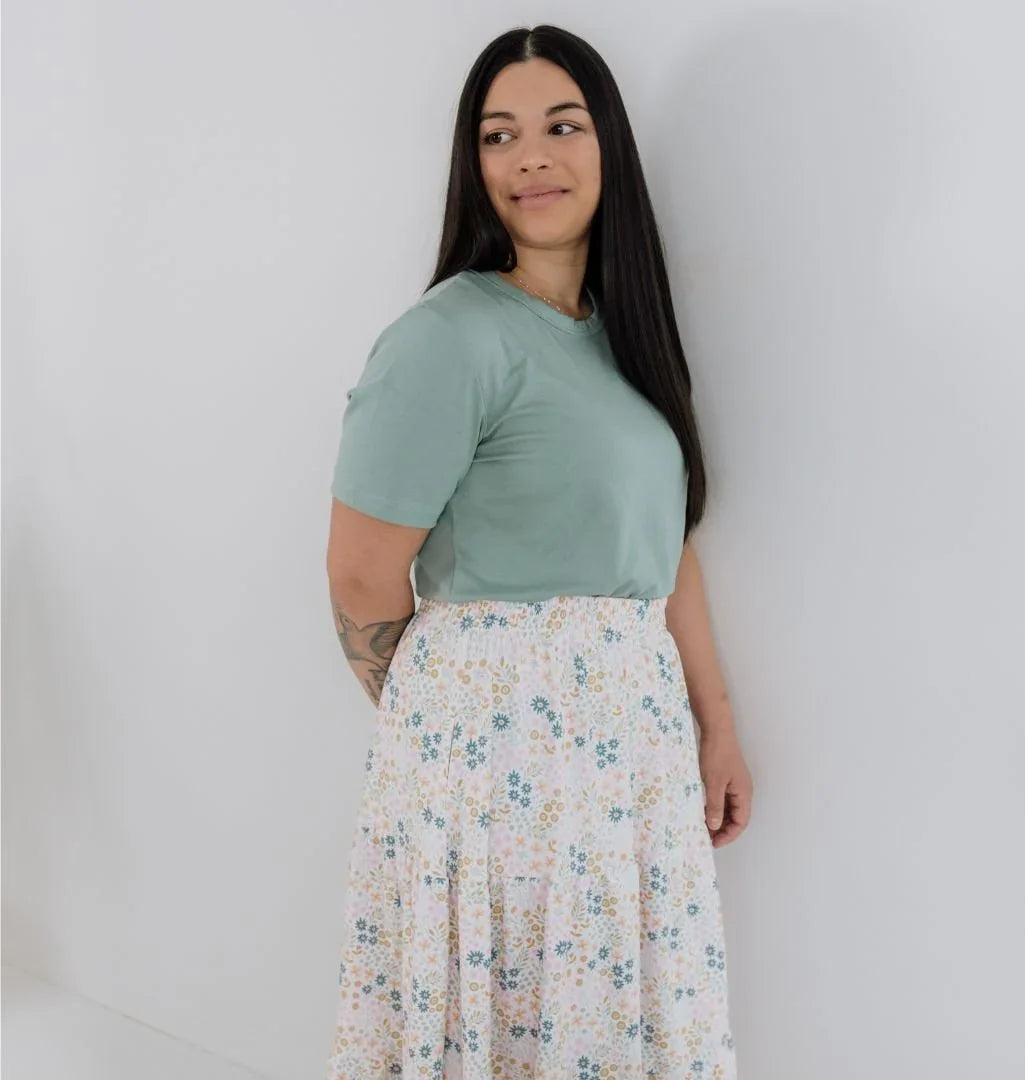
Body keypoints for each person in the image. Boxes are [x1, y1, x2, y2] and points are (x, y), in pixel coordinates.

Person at [323, 23, 752, 1080]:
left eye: (561, 125)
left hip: (633, 752)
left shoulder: (628, 339)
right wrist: (448, 720)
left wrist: (718, 722)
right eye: (498, 135)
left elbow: (664, 545)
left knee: (611, 1018)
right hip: (495, 755)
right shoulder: (449, 336)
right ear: (474, 166)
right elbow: (361, 574)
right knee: (512, 1015)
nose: (530, 157)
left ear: (606, 141)